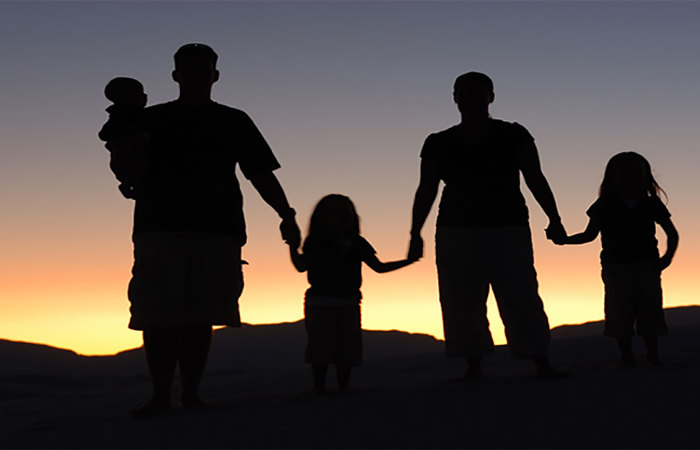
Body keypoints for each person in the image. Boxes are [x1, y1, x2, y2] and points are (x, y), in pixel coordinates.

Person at [103, 43, 301, 417]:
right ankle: (164, 396)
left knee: (198, 314)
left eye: (202, 68)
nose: (195, 74)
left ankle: (186, 395)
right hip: (163, 226)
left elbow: (260, 173)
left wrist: (285, 213)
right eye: (189, 68)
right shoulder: (151, 119)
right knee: (161, 314)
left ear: (214, 75)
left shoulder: (233, 120)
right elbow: (123, 159)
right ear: (176, 75)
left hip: (213, 226)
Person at [408, 72, 565, 379]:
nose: (471, 98)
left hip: (508, 226)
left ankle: (539, 360)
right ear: (455, 98)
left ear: (490, 96)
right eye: (463, 92)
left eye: (478, 92)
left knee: (520, 293)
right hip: (456, 228)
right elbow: (426, 188)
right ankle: (474, 364)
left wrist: (554, 218)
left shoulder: (514, 134)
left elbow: (535, 177)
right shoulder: (438, 142)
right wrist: (415, 232)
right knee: (461, 297)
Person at [552, 152, 678, 366]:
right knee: (621, 310)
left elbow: (672, 234)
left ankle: (651, 355)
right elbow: (589, 235)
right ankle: (629, 356)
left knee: (647, 309)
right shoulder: (605, 204)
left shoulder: (650, 204)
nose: (629, 177)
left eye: (634, 172)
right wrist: (565, 240)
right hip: (617, 266)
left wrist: (666, 259)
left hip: (644, 264)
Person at [288, 194, 415, 393]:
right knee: (337, 346)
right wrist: (408, 261)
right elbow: (379, 268)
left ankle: (329, 387)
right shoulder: (330, 242)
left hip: (333, 302)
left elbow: (301, 265)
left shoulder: (328, 242)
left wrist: (292, 247)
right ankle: (332, 387)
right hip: (334, 302)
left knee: (332, 346)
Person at [98, 77, 149, 199]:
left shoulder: (141, 115)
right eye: (139, 94)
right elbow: (104, 134)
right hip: (125, 153)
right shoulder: (120, 115)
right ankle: (129, 183)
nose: (144, 97)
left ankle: (130, 183)